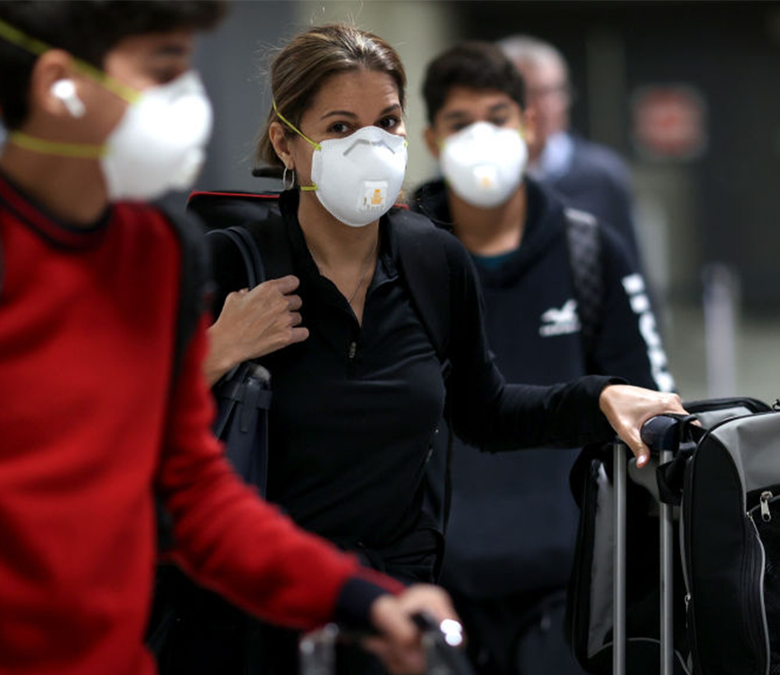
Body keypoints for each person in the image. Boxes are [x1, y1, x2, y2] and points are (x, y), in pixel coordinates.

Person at [0, 3, 461, 674]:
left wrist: (360, 598)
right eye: (165, 69)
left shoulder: (158, 252)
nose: (189, 97)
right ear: (60, 86)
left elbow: (195, 494)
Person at [196, 22, 687, 675]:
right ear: (287, 142)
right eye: (341, 127)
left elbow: (484, 411)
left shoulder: (432, 260)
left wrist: (598, 397)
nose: (370, 145)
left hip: (398, 619)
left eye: (387, 121)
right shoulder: (230, 263)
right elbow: (133, 433)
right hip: (259, 616)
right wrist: (212, 354)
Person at [411, 42, 674, 675]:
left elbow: (649, 399)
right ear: (431, 138)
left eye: (497, 117)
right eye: (460, 123)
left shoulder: (589, 250)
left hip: (571, 581)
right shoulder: (401, 255)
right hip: (434, 583)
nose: (481, 136)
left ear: (529, 125)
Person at [498, 35, 642, 265]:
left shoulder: (602, 175)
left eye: (555, 91)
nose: (545, 105)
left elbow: (631, 267)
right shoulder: (476, 175)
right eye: (530, 93)